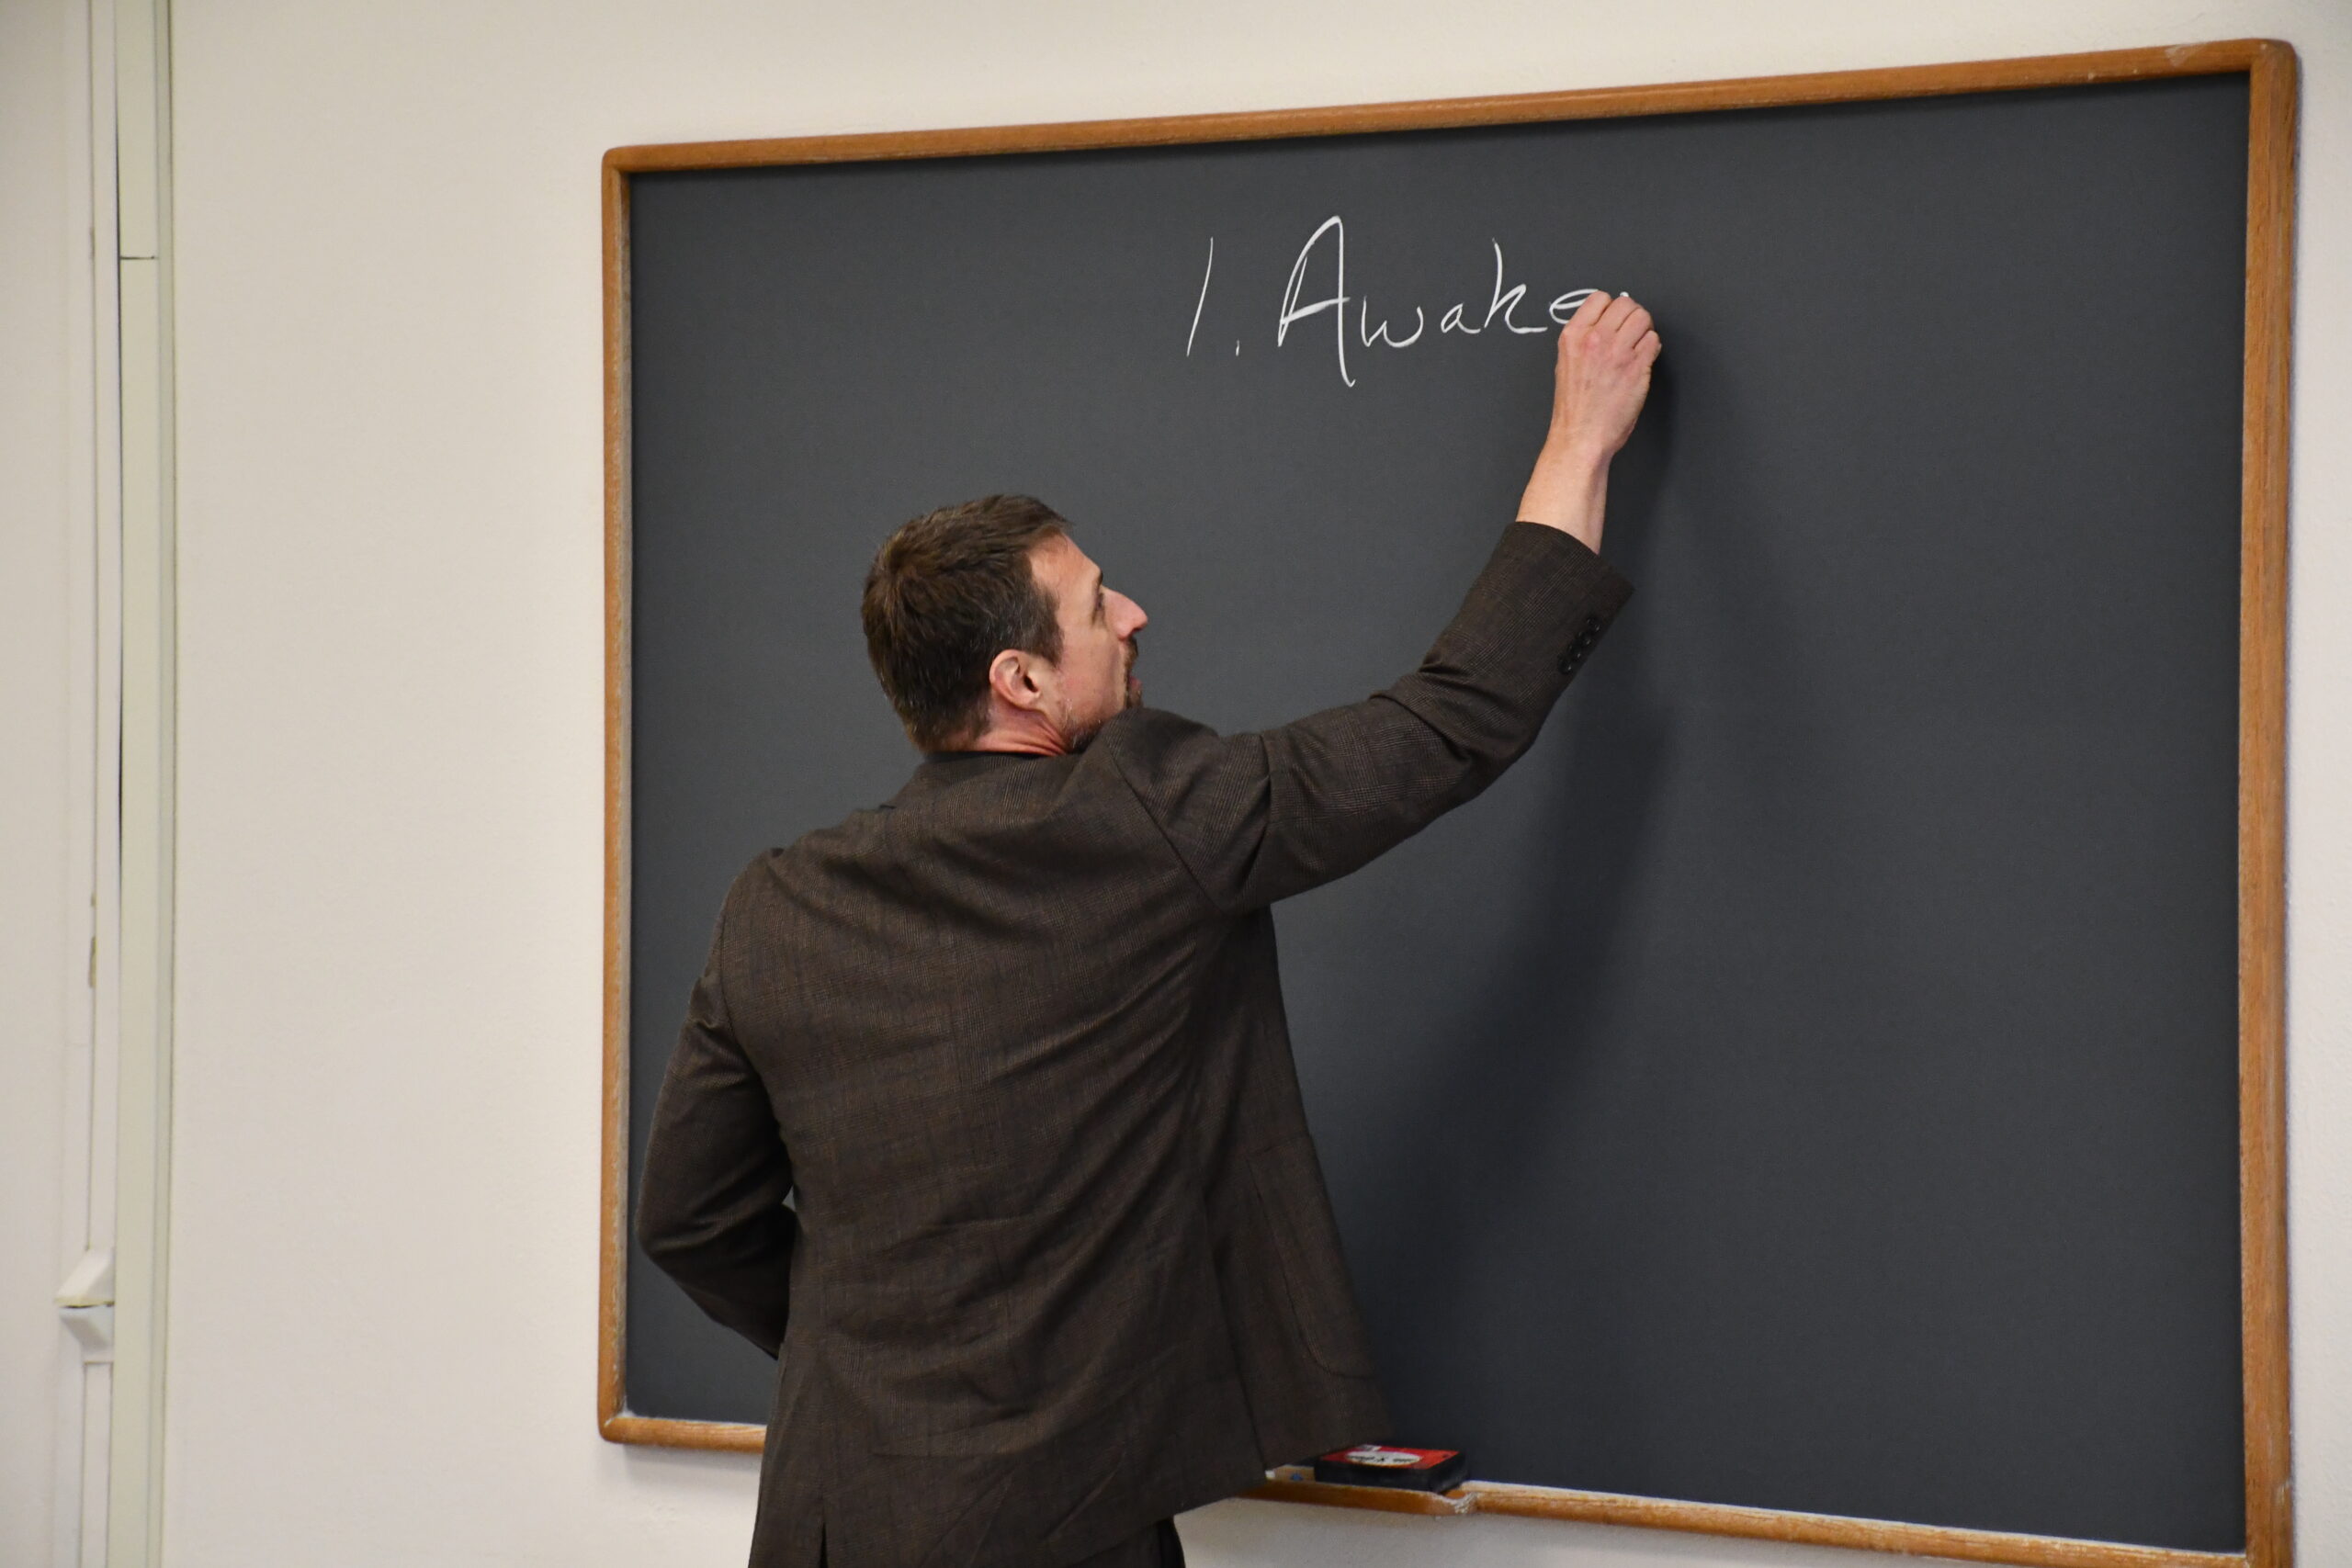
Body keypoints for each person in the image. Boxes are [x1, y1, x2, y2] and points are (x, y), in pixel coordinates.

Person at [637, 289, 1660, 1568]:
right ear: (1020, 681)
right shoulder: (1149, 817)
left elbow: (688, 1223)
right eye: (1095, 601)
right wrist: (1581, 445)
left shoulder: (773, 905)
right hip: (1068, 1525)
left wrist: (884, 1357)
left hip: (839, 1519)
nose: (1132, 615)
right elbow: (1447, 724)